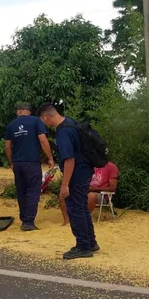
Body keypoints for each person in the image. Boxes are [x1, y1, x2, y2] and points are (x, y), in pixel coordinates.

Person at [37, 103, 98, 259]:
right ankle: (90, 242)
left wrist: (65, 185)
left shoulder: (63, 132)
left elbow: (69, 160)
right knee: (82, 207)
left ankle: (83, 246)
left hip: (76, 173)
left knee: (75, 209)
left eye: (44, 121)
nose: (45, 124)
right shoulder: (72, 123)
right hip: (85, 170)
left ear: (45, 117)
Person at [4, 102, 55, 231]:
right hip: (31, 162)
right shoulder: (36, 122)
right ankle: (28, 221)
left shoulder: (11, 125)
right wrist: (50, 158)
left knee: (21, 190)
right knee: (33, 190)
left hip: (18, 163)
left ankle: (23, 217)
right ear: (29, 111)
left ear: (19, 111)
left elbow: (7, 146)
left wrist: (11, 162)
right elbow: (43, 140)